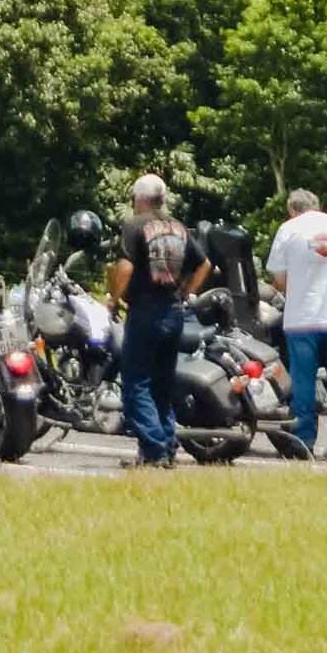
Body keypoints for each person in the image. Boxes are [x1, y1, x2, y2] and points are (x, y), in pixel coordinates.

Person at [109, 175, 208, 469]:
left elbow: (125, 268)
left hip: (145, 311)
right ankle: (166, 446)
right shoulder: (178, 226)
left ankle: (154, 451)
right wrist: (186, 292)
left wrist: (114, 299)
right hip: (173, 312)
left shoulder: (134, 225)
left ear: (139, 199)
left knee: (135, 385)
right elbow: (204, 264)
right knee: (162, 386)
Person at [263, 186, 327, 457]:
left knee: (303, 383)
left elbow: (279, 279)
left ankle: (304, 442)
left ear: (292, 209)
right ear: (317, 205)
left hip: (302, 319)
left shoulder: (288, 229)